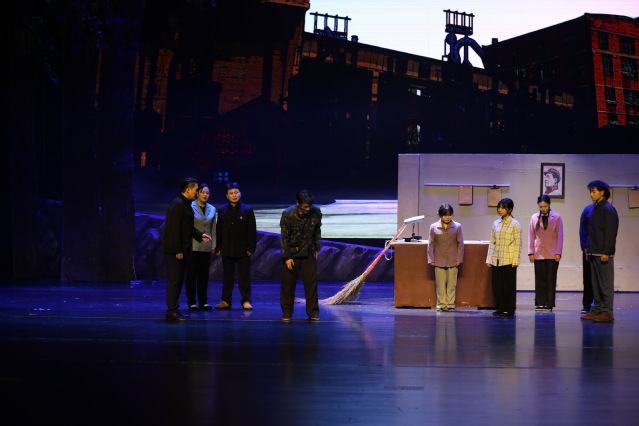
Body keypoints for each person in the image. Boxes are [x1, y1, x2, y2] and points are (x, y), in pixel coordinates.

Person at [162, 178, 211, 322]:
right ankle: (171, 311)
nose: (197, 193)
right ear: (188, 190)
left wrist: (200, 235)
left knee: (178, 281)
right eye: (196, 190)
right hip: (175, 251)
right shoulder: (178, 204)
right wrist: (177, 250)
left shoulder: (185, 204)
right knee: (175, 281)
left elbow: (187, 227)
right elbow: (173, 230)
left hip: (182, 250)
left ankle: (174, 310)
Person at [280, 190, 322, 321]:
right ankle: (287, 312)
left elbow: (317, 231)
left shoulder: (316, 211)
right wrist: (287, 257)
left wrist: (316, 248)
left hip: (309, 251)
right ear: (297, 203)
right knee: (288, 284)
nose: (308, 209)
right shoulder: (288, 214)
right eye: (305, 207)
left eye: (309, 206)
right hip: (292, 253)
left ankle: (313, 312)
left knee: (311, 284)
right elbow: (284, 237)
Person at [581, 180, 619, 323]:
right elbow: (591, 232)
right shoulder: (593, 209)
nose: (591, 194)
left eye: (594, 191)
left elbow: (610, 233)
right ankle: (596, 309)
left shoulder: (608, 209)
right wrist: (588, 249)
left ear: (602, 192)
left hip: (603, 253)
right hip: (593, 252)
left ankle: (607, 312)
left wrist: (606, 252)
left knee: (605, 284)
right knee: (595, 284)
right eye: (590, 192)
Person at [214, 182, 257, 310]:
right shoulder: (222, 210)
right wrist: (218, 246)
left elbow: (252, 230)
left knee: (244, 276)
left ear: (240, 193)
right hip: (227, 248)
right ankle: (226, 300)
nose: (234, 195)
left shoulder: (247, 210)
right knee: (227, 276)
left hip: (243, 249)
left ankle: (246, 300)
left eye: (236, 192)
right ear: (227, 196)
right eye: (231, 193)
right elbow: (219, 230)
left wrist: (251, 247)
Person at [486, 198, 522, 317]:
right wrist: (489, 259)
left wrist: (515, 261)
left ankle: (509, 309)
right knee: (497, 287)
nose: (500, 210)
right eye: (499, 207)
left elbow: (518, 244)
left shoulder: (515, 224)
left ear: (510, 209)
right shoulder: (496, 223)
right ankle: (500, 308)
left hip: (508, 260)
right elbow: (492, 242)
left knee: (508, 287)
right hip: (496, 259)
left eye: (503, 208)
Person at [528, 195, 563, 312]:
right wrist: (531, 252)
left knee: (550, 279)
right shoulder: (534, 217)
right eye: (541, 206)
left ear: (549, 205)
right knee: (539, 279)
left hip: (552, 253)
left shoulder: (557, 217)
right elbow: (531, 235)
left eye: (545, 206)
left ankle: (549, 303)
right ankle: (540, 303)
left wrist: (558, 252)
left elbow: (560, 236)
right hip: (538, 252)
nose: (543, 208)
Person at [185, 183, 216, 311]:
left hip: (206, 247)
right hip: (192, 246)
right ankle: (192, 302)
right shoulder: (190, 206)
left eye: (207, 193)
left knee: (204, 277)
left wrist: (213, 245)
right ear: (197, 193)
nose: (205, 195)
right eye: (202, 192)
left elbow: (213, 228)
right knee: (191, 276)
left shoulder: (212, 209)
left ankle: (203, 302)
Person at [428, 204, 464, 312]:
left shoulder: (457, 226)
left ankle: (450, 304)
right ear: (440, 215)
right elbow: (430, 244)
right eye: (445, 215)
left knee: (452, 284)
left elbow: (460, 243)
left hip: (453, 259)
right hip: (438, 259)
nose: (447, 217)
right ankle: (441, 304)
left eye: (449, 214)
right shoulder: (434, 226)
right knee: (440, 284)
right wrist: (431, 259)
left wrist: (459, 259)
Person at [579, 203, 595, 313]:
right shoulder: (587, 210)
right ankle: (587, 304)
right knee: (587, 278)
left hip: (601, 250)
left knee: (600, 280)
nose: (592, 195)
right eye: (591, 194)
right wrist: (584, 247)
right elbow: (583, 230)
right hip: (588, 249)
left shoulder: (608, 209)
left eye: (595, 193)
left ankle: (599, 305)